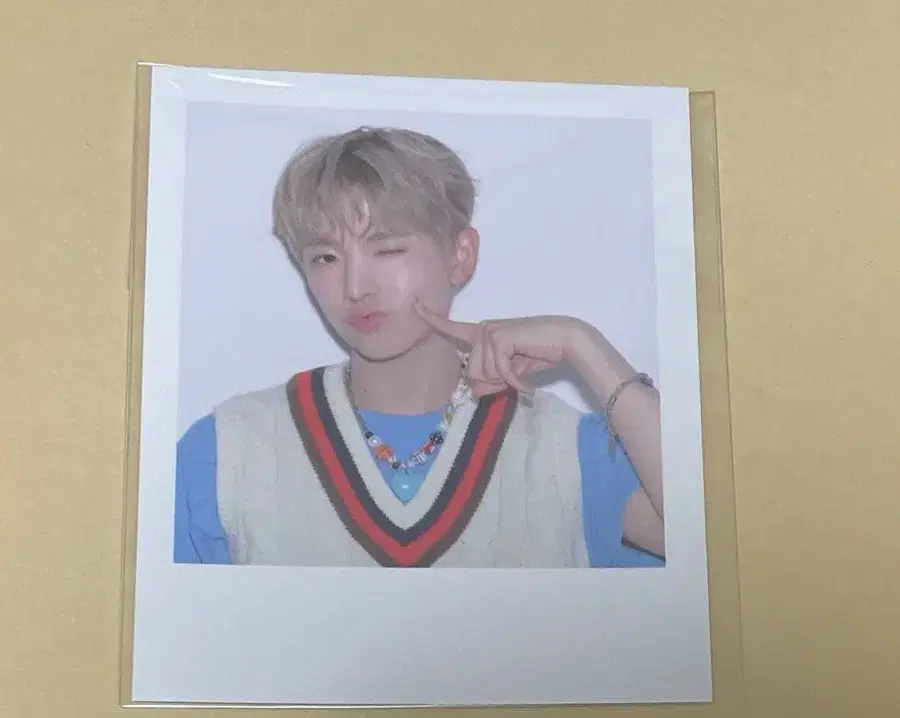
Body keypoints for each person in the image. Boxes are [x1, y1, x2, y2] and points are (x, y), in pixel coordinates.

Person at [174, 126, 666, 568]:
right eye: (325, 257)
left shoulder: (566, 451)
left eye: (387, 249)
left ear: (460, 255)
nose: (355, 287)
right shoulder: (226, 451)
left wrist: (583, 343)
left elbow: (702, 543)